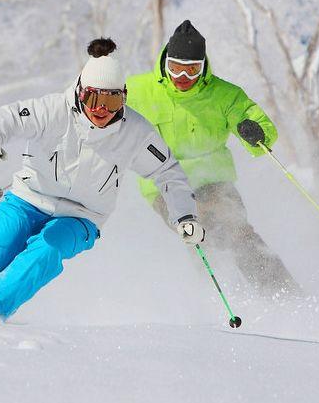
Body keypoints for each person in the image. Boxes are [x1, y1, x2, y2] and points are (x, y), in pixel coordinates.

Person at [0, 38, 203, 325]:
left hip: (83, 216)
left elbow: (168, 173)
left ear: (124, 98)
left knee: (48, 248)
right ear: (80, 91)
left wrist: (184, 215)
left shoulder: (135, 133)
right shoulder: (53, 110)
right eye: (93, 99)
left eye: (111, 102)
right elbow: (7, 119)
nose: (100, 111)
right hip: (28, 198)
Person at [125, 20, 300, 296]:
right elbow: (99, 104)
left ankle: (283, 294)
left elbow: (258, 122)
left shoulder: (224, 95)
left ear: (202, 66)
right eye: (175, 68)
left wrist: (255, 132)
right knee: (198, 230)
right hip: (164, 184)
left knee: (236, 229)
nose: (182, 77)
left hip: (214, 180)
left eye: (191, 70)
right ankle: (223, 296)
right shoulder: (138, 91)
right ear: (165, 62)